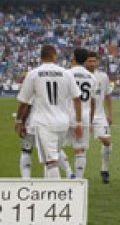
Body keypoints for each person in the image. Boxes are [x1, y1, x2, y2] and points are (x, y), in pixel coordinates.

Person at [15, 44, 82, 178]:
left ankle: (55, 195)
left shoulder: (34, 74)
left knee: (51, 161)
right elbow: (77, 99)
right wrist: (79, 122)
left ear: (41, 57)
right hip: (63, 122)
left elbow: (24, 102)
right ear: (54, 55)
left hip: (44, 122)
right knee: (52, 159)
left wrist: (18, 120)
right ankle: (54, 186)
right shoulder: (66, 73)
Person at [61, 48, 97, 179]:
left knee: (55, 147)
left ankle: (69, 172)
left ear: (74, 57)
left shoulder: (66, 73)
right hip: (84, 116)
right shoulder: (91, 77)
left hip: (66, 114)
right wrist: (91, 121)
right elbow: (93, 102)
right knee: (80, 150)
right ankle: (79, 180)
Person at [85, 51, 113, 184]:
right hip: (83, 116)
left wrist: (110, 114)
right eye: (89, 61)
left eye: (93, 61)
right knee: (80, 146)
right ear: (85, 62)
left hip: (100, 116)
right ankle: (76, 175)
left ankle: (105, 170)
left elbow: (108, 95)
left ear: (97, 62)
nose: (91, 63)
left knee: (107, 142)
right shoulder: (79, 76)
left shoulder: (103, 77)